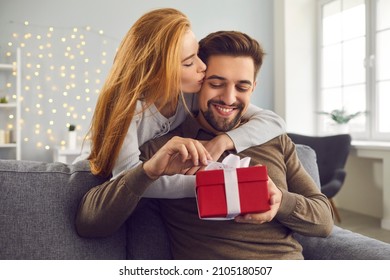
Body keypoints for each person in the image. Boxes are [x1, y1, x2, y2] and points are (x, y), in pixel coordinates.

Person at [76, 30, 334, 259]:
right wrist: (148, 173)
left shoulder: (275, 140)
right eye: (216, 84)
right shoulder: (165, 150)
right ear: (198, 84)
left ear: (253, 88)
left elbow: (324, 222)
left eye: (242, 87)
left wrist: (281, 202)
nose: (229, 98)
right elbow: (90, 222)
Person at [84, 8, 286, 199]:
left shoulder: (190, 95)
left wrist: (223, 141)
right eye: (189, 63)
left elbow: (273, 121)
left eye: (197, 55)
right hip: (90, 181)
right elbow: (128, 179)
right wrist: (210, 184)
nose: (203, 66)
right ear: (156, 73)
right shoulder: (128, 111)